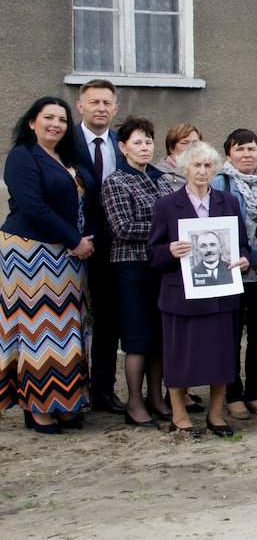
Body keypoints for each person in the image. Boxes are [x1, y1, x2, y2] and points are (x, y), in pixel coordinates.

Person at [1, 97, 95, 434]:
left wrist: (82, 239)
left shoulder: (67, 158)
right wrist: (75, 240)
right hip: (31, 253)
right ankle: (37, 407)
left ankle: (63, 402)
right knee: (36, 331)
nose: (56, 124)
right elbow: (33, 207)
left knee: (68, 328)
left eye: (62, 119)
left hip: (67, 256)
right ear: (32, 122)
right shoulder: (22, 157)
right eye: (48, 117)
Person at [148, 141, 251, 437]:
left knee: (222, 357)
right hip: (181, 296)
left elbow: (242, 244)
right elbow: (152, 254)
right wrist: (170, 250)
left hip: (221, 295)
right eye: (196, 165)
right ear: (184, 168)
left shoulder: (228, 202)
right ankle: (179, 416)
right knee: (181, 358)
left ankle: (216, 415)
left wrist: (244, 258)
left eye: (208, 166)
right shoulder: (166, 205)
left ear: (215, 169)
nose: (202, 171)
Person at [100, 117, 180, 427]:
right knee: (137, 338)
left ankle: (156, 397)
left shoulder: (161, 179)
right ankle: (134, 401)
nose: (144, 147)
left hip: (161, 266)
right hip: (131, 268)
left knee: (160, 336)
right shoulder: (116, 181)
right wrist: (168, 232)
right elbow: (123, 228)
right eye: (137, 142)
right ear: (122, 147)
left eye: (148, 142)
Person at [211, 128, 257, 420]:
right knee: (230, 335)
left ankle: (255, 393)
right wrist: (251, 256)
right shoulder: (219, 184)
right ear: (229, 154)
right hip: (233, 271)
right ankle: (233, 394)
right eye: (239, 149)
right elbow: (216, 228)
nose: (246, 154)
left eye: (251, 149)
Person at [73, 80, 126, 415]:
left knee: (107, 320)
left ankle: (102, 390)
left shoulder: (123, 144)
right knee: (68, 321)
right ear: (81, 106)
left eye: (107, 102)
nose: (101, 108)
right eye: (94, 102)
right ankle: (69, 393)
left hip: (112, 246)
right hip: (70, 244)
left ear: (115, 108)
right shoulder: (66, 143)